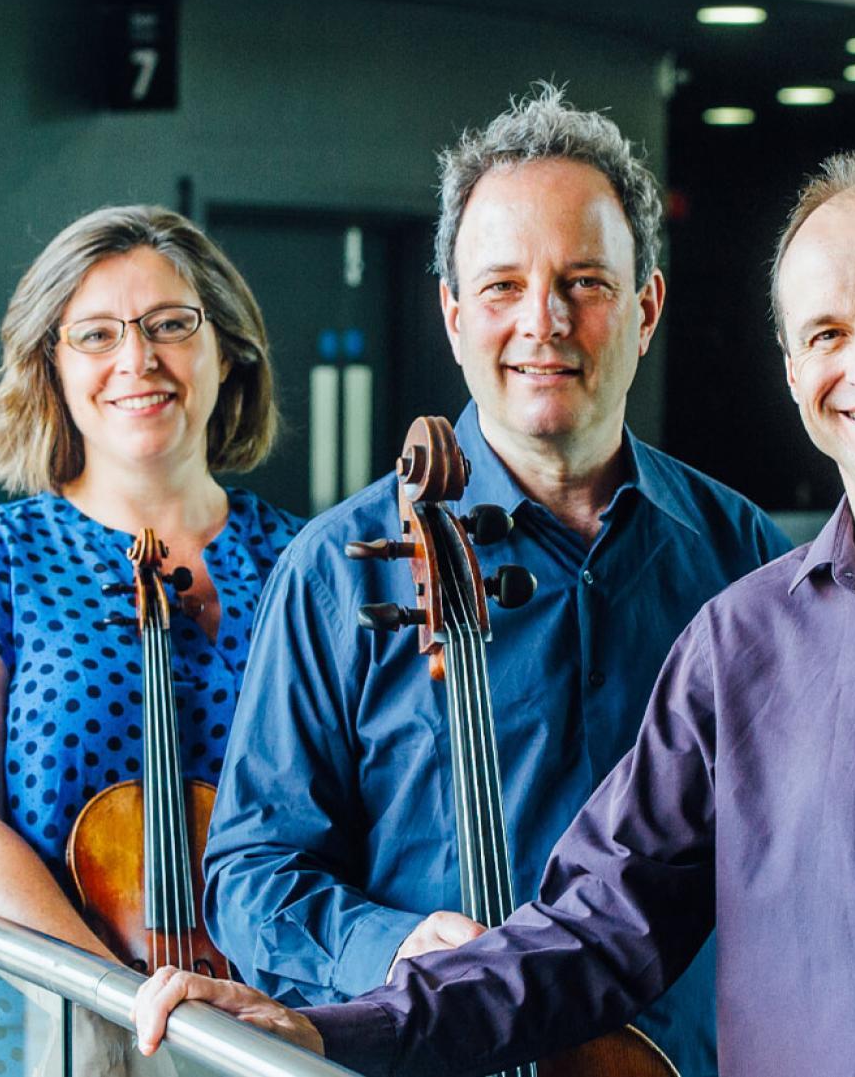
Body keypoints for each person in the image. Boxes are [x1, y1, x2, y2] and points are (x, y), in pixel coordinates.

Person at [138, 152, 855, 1075]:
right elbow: (595, 927)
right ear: (793, 374)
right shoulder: (743, 637)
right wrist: (331, 1026)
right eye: (828, 335)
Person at [198, 85, 787, 1077]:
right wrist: (391, 947)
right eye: (503, 285)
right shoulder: (337, 571)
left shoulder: (745, 559)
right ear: (452, 311)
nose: (543, 322)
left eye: (585, 282)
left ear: (644, 309)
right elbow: (251, 874)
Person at [0, 205, 304, 1077]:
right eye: (95, 334)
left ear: (229, 348)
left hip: (263, 1010)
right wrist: (108, 1001)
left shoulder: (307, 562)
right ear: (50, 368)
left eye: (171, 324)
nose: (138, 360)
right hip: (25, 1006)